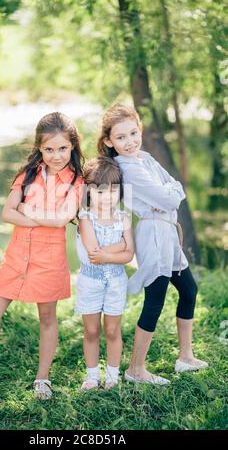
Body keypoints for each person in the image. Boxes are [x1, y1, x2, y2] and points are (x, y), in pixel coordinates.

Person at [0, 112, 84, 402]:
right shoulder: (27, 174)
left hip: (49, 259)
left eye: (63, 148)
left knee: (47, 317)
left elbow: (61, 219)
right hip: (17, 256)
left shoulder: (76, 182)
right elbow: (6, 213)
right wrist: (40, 216)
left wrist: (27, 211)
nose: (56, 155)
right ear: (39, 148)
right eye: (49, 149)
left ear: (72, 147)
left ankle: (42, 379)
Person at [97, 103, 208, 386]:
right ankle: (136, 368)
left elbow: (176, 186)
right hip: (153, 234)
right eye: (121, 138)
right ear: (109, 141)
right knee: (155, 299)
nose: (130, 141)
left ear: (140, 129)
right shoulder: (128, 168)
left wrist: (169, 193)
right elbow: (172, 198)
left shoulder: (143, 157)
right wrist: (168, 195)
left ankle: (185, 356)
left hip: (168, 231)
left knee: (189, 289)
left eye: (133, 133)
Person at [75, 156, 134, 390]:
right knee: (91, 330)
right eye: (99, 192)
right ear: (89, 191)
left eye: (111, 191)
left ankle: (112, 376)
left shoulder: (123, 218)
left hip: (117, 283)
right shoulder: (85, 217)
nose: (106, 197)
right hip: (90, 282)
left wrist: (111, 253)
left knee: (112, 330)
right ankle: (92, 376)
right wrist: (119, 246)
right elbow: (93, 254)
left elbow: (129, 256)